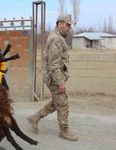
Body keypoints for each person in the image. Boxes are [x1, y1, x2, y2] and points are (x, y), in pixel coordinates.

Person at [27, 14, 78, 142]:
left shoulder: (57, 36)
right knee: (63, 103)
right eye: (67, 25)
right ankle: (64, 131)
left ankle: (35, 117)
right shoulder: (56, 39)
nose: (69, 28)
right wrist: (60, 82)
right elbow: (54, 64)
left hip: (54, 76)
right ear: (60, 24)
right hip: (54, 77)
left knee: (57, 101)